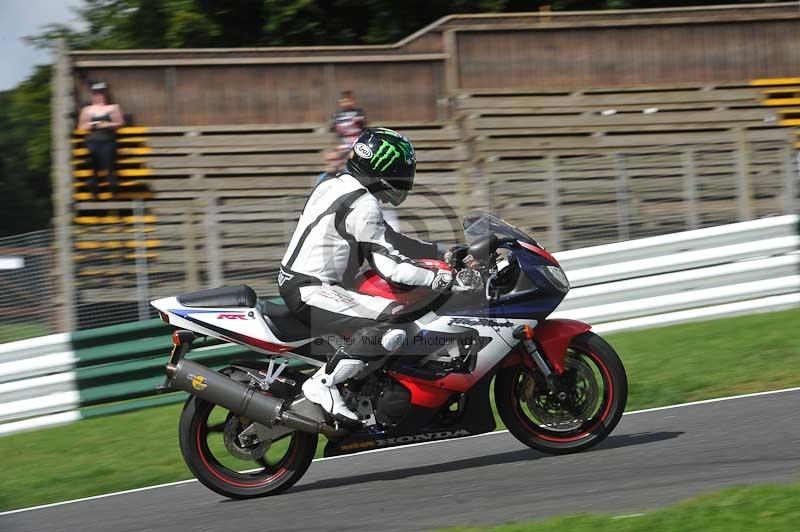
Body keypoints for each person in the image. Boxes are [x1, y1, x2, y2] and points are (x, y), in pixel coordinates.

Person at [279, 127, 453, 424]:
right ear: (384, 168)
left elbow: (390, 241)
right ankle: (323, 384)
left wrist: (445, 252)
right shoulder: (364, 203)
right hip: (312, 289)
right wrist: (439, 279)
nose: (405, 178)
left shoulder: (334, 183)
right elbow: (392, 267)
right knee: (393, 324)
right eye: (402, 170)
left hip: (300, 283)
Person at [77, 82, 125, 198]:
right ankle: (94, 192)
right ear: (93, 95)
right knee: (93, 163)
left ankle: (113, 191)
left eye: (102, 92)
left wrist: (108, 125)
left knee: (108, 164)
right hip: (92, 140)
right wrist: (93, 125)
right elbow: (81, 126)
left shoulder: (113, 107)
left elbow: (120, 123)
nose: (100, 95)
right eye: (97, 93)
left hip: (108, 139)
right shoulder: (87, 110)